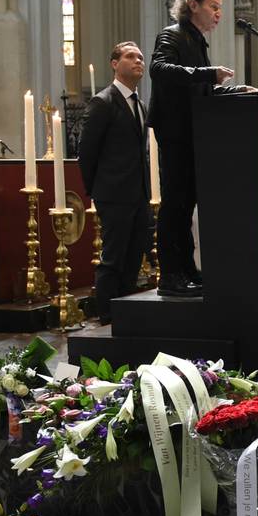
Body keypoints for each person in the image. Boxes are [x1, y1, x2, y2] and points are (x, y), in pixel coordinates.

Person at [148, 0, 254, 297]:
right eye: (214, 6)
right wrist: (208, 74)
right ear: (193, 5)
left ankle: (187, 268)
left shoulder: (197, 41)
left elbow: (199, 91)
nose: (219, 14)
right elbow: (159, 69)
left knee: (186, 203)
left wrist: (236, 91)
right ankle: (170, 274)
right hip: (175, 130)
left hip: (193, 131)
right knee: (175, 204)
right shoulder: (172, 34)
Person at [78, 41, 152, 322]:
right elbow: (87, 151)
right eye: (131, 57)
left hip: (138, 193)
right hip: (114, 193)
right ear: (114, 63)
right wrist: (96, 191)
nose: (138, 62)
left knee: (134, 257)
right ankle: (107, 316)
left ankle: (127, 313)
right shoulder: (103, 101)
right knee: (113, 258)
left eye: (141, 58)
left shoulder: (140, 105)